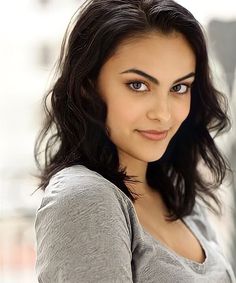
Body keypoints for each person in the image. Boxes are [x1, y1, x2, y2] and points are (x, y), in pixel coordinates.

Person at [34, 0, 236, 282]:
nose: (163, 114)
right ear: (87, 88)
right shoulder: (84, 198)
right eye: (138, 85)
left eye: (179, 87)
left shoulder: (178, 196)